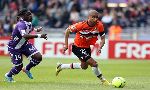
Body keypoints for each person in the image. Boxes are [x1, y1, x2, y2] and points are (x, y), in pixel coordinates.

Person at [56, 10, 110, 85]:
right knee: (94, 64)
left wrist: (100, 46)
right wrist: (66, 44)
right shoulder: (80, 25)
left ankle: (61, 66)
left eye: (96, 17)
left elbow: (103, 38)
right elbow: (67, 31)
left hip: (86, 48)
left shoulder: (99, 25)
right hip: (77, 47)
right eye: (93, 17)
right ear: (88, 17)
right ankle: (103, 81)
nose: (95, 19)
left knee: (84, 66)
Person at [5, 8, 47, 82]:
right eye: (28, 15)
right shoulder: (20, 24)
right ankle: (8, 75)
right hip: (15, 48)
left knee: (38, 57)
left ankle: (27, 69)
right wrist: (40, 35)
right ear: (23, 16)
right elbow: (24, 35)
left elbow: (29, 29)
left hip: (24, 45)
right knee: (18, 67)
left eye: (31, 14)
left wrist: (37, 30)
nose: (30, 16)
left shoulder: (28, 23)